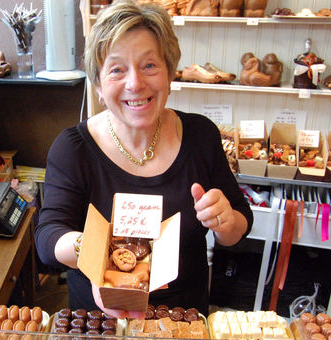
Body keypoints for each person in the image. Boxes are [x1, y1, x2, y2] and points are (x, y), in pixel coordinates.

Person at [35, 0, 252, 318]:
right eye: (117, 69)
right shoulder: (73, 149)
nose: (135, 83)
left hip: (182, 322)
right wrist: (98, 255)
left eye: (149, 65)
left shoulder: (201, 135)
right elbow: (48, 237)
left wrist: (225, 220)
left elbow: (239, 224)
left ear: (169, 72)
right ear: (98, 84)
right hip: (100, 322)